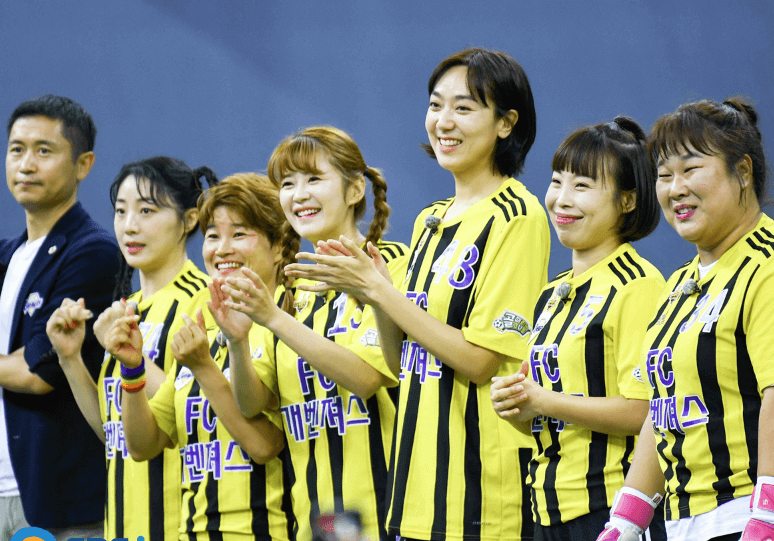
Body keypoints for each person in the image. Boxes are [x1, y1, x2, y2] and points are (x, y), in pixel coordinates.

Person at [285, 48, 549, 541]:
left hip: (480, 490)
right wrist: (377, 296)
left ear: (506, 123)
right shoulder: (432, 219)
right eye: (435, 105)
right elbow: (398, 361)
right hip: (415, 492)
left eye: (464, 108)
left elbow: (481, 362)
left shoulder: (517, 215)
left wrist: (380, 293)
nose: (444, 122)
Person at [592, 98, 774, 541]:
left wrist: (767, 516)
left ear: (742, 172)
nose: (675, 189)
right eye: (664, 174)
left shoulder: (767, 265)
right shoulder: (678, 285)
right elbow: (664, 410)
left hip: (744, 517)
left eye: (691, 169)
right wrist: (625, 522)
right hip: (682, 524)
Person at [221, 127, 407, 541]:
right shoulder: (292, 290)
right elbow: (252, 403)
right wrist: (237, 341)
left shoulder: (391, 265)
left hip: (387, 514)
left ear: (355, 189)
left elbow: (367, 378)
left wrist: (273, 318)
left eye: (313, 179)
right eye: (287, 184)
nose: (299, 195)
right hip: (313, 522)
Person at [489, 117, 665, 540]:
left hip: (610, 510)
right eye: (557, 182)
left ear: (627, 201)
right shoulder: (551, 293)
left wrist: (544, 401)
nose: (561, 200)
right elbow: (549, 410)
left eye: (582, 186)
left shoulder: (638, 284)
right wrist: (518, 404)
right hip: (545, 509)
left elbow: (645, 411)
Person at [92, 173, 293, 540]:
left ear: (279, 245)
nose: (222, 249)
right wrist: (133, 369)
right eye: (213, 236)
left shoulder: (290, 323)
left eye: (239, 234)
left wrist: (203, 368)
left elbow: (264, 446)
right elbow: (144, 444)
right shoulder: (208, 327)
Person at [46, 156, 217, 540]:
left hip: (181, 525)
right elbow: (115, 432)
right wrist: (70, 359)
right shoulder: (126, 310)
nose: (129, 226)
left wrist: (136, 363)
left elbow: (207, 411)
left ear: (189, 220)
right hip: (123, 527)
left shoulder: (203, 301)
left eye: (147, 211)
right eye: (121, 211)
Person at [0, 94, 119, 538]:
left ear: (83, 164)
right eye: (17, 149)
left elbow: (37, 372)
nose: (26, 165)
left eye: (44, 151)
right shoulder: (7, 256)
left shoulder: (93, 251)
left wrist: (23, 362)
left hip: (56, 500)